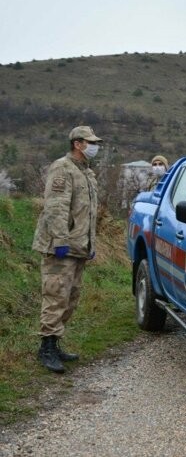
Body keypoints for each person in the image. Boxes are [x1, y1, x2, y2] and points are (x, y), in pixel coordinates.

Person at [32, 125, 103, 373]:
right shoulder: (63, 168)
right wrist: (61, 240)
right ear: (77, 143)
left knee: (70, 298)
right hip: (60, 247)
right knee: (55, 295)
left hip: (78, 247)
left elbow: (88, 213)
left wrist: (90, 244)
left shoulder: (86, 173)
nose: (95, 146)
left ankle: (55, 342)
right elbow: (56, 208)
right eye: (90, 142)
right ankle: (46, 348)